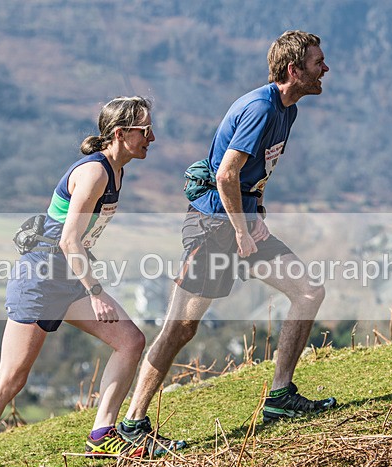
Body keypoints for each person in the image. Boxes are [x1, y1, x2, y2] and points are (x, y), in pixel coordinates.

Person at [0, 96, 176, 467]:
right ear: (120, 133)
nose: (152, 137)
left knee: (130, 340)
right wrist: (96, 291)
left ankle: (103, 434)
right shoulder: (94, 173)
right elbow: (70, 240)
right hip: (41, 280)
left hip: (65, 279)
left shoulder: (116, 171)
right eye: (145, 130)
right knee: (11, 378)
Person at [117, 30, 336, 443]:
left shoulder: (288, 110)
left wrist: (258, 215)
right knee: (181, 327)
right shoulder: (260, 109)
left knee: (308, 291)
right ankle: (133, 425)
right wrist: (241, 230)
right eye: (317, 62)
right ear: (294, 69)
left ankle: (280, 396)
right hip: (214, 227)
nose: (325, 68)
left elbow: (258, 172)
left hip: (243, 222)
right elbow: (226, 174)